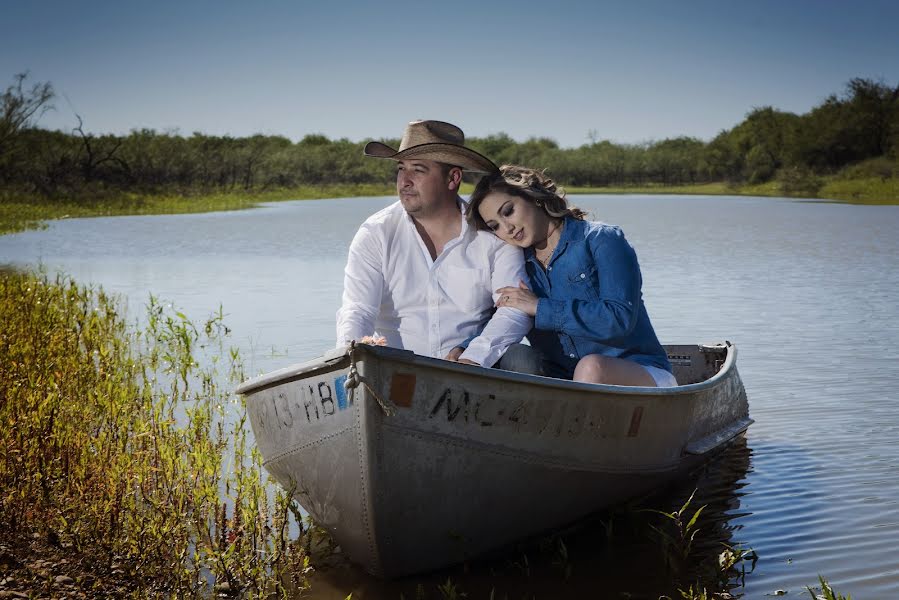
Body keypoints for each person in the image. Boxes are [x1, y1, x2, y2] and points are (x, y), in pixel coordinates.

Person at [336, 120, 536, 370]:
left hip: (474, 372)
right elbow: (358, 310)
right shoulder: (375, 233)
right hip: (393, 374)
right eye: (401, 169)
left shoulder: (493, 234)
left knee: (523, 358)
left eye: (417, 170)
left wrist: (473, 358)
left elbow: (513, 310)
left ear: (453, 178)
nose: (404, 181)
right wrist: (352, 359)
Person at [466, 165, 677, 387]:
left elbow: (618, 319)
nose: (506, 228)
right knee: (518, 357)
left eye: (508, 211)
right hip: (564, 382)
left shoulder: (601, 239)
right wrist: (465, 348)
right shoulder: (515, 262)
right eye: (495, 226)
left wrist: (540, 307)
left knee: (591, 368)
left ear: (533, 197)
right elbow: (497, 320)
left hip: (640, 372)